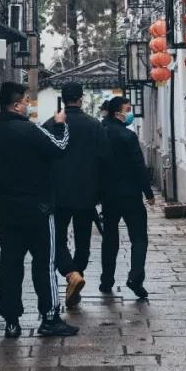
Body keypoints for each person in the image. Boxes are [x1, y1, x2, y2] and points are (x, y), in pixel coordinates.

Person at [0, 81, 80, 339]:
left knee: (10, 263)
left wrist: (4, 194)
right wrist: (60, 123)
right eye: (25, 100)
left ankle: (11, 321)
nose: (28, 105)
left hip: (9, 209)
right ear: (16, 104)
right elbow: (60, 147)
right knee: (44, 264)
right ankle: (49, 318)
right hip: (39, 209)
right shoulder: (30, 131)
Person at [52, 80, 110, 308]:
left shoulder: (51, 124)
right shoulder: (94, 125)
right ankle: (77, 275)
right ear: (81, 98)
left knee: (57, 238)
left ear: (63, 99)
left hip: (58, 194)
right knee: (83, 240)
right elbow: (106, 159)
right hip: (87, 193)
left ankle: (70, 274)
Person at [99, 94, 155, 301]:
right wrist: (148, 193)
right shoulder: (128, 136)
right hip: (131, 194)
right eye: (127, 109)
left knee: (110, 239)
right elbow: (138, 166)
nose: (129, 113)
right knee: (139, 238)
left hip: (108, 195)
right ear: (118, 112)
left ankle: (106, 280)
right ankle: (135, 278)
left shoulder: (101, 134)